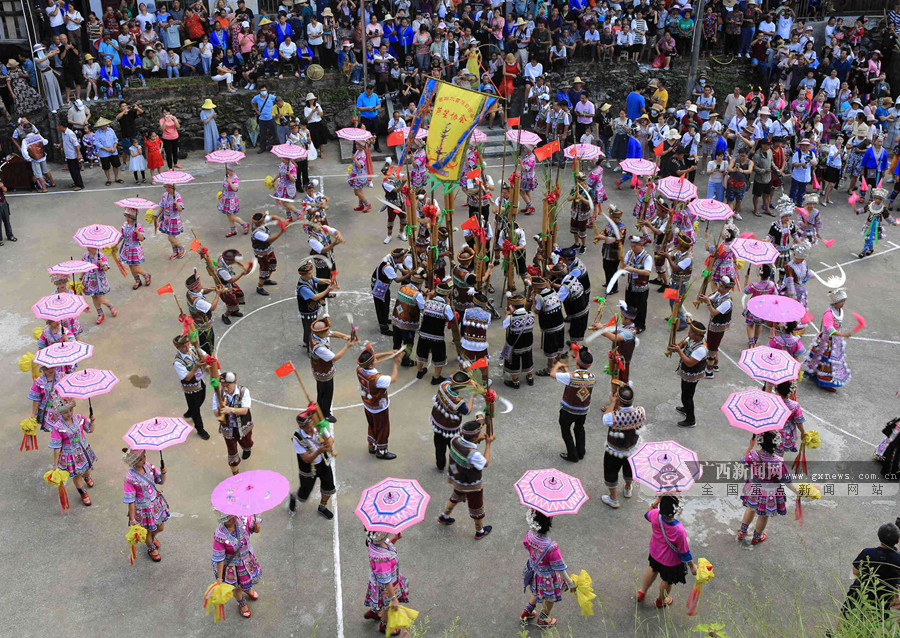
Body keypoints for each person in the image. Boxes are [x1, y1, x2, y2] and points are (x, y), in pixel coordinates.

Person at [437, 417, 494, 540]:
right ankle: (479, 531)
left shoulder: (455, 440)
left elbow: (468, 442)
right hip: (471, 484)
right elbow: (485, 463)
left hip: (457, 478)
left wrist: (479, 438)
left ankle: (444, 516)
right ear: (474, 437)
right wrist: (488, 443)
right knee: (476, 507)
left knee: (456, 496)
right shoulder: (474, 455)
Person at [637, 495, 697, 608]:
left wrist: (656, 501)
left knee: (653, 569)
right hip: (670, 561)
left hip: (655, 553)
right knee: (667, 581)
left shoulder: (655, 515)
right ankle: (661, 600)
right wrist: (692, 566)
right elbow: (684, 552)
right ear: (675, 511)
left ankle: (642, 592)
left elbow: (647, 514)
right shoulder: (679, 530)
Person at [520, 509, 575, 628]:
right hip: (547, 579)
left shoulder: (529, 536)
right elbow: (560, 567)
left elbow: (526, 545)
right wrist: (570, 583)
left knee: (537, 592)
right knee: (550, 598)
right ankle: (543, 619)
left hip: (534, 573)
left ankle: (527, 612)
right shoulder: (551, 547)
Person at [738, 430, 794, 545]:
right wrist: (800, 492)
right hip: (768, 492)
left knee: (750, 508)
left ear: (760, 442)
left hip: (753, 488)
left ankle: (742, 532)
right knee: (763, 515)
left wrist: (750, 446)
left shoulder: (753, 455)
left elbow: (743, 461)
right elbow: (787, 481)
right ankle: (757, 537)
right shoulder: (778, 462)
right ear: (776, 444)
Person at [600, 383, 644, 509]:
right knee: (629, 469)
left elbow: (605, 418)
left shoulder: (612, 417)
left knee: (611, 471)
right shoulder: (641, 411)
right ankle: (628, 488)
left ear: (619, 400)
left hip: (614, 450)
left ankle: (613, 498)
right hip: (632, 448)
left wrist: (613, 403)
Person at [211, 511, 262, 619]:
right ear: (222, 520)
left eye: (233, 514)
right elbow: (219, 558)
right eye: (229, 518)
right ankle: (242, 602)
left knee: (248, 579)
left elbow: (255, 530)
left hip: (246, 559)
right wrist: (219, 579)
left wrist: (257, 527)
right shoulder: (220, 534)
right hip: (231, 567)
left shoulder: (243, 519)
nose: (234, 518)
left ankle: (247, 589)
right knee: (237, 587)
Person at [288, 406, 335, 519]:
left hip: (323, 464)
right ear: (301, 427)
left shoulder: (318, 427)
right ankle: (294, 496)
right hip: (308, 470)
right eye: (308, 425)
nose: (311, 426)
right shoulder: (297, 439)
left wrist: (328, 444)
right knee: (304, 495)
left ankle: (322, 507)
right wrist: (319, 450)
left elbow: (331, 440)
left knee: (328, 487)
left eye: (311, 423)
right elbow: (306, 459)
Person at [47, 396, 96, 507]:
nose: (69, 413)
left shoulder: (79, 418)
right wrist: (55, 464)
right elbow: (57, 447)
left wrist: (92, 421)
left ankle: (87, 477)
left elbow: (90, 430)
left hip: (84, 451)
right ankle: (83, 493)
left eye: (70, 410)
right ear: (60, 412)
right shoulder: (58, 427)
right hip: (70, 456)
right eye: (65, 412)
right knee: (76, 475)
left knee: (87, 471)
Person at [122, 447, 169, 563]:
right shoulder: (130, 478)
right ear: (133, 461)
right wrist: (132, 519)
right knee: (148, 531)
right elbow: (130, 500)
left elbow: (160, 481)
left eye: (144, 456)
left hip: (155, 505)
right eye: (139, 459)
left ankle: (152, 538)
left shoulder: (149, 466)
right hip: (143, 510)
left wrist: (163, 473)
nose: (143, 460)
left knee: (160, 527)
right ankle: (150, 547)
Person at [550, 346, 595, 463]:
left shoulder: (570, 376)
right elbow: (577, 378)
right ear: (589, 365)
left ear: (577, 363)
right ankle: (581, 452)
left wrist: (557, 366)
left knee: (565, 430)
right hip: (583, 410)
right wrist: (565, 370)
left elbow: (552, 374)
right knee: (579, 428)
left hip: (568, 410)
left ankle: (572, 455)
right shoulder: (592, 377)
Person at [356, 343, 401, 460]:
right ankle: (381, 451)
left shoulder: (360, 369)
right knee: (382, 428)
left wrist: (389, 353)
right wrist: (395, 364)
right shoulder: (378, 379)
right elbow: (394, 378)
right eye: (375, 359)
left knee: (371, 425)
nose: (377, 358)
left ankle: (372, 445)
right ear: (371, 365)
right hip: (379, 407)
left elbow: (374, 358)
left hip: (367, 404)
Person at [804, 288, 852, 392]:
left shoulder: (839, 311)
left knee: (821, 358)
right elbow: (830, 329)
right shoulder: (829, 313)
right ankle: (824, 381)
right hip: (827, 341)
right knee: (827, 360)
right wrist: (842, 334)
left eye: (844, 301)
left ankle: (818, 375)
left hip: (834, 340)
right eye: (841, 301)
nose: (843, 303)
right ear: (835, 302)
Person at [308, 317, 355, 423]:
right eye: (327, 331)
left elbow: (333, 333)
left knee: (321, 391)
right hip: (324, 372)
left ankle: (319, 408)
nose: (329, 332)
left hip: (319, 369)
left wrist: (345, 336)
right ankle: (325, 413)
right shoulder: (319, 348)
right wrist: (347, 346)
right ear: (321, 333)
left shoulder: (315, 335)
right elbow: (334, 358)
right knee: (327, 392)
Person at [363, 529, 409, 634]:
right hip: (386, 588)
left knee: (379, 601)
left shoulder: (372, 541)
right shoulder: (382, 558)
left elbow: (387, 545)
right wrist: (393, 599)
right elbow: (386, 582)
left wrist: (395, 538)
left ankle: (374, 612)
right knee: (387, 607)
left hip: (377, 582)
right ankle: (385, 625)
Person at [430, 371, 475, 471]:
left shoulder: (443, 385)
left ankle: (440, 465)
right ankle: (455, 467)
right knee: (455, 448)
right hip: (450, 428)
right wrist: (472, 396)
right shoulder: (458, 402)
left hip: (437, 422)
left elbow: (452, 376)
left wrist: (469, 380)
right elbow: (467, 411)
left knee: (439, 446)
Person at [212, 370, 253, 475]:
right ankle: (235, 474)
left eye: (228, 386)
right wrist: (220, 409)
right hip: (228, 428)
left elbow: (244, 410)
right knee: (232, 453)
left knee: (247, 442)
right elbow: (216, 413)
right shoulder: (218, 394)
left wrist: (230, 410)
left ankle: (247, 449)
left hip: (243, 425)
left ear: (234, 383)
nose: (225, 389)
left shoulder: (243, 391)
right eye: (223, 386)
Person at [668, 320, 707, 428]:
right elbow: (682, 343)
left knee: (687, 396)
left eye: (691, 332)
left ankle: (691, 419)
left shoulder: (701, 349)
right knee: (686, 392)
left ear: (697, 335)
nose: (688, 333)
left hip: (692, 374)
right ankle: (686, 408)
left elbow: (689, 363)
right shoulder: (691, 339)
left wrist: (679, 351)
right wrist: (676, 346)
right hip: (687, 372)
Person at [416, 279, 455, 384]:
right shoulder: (445, 307)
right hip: (437, 337)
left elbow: (423, 310)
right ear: (446, 296)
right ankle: (436, 378)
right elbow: (452, 319)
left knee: (422, 353)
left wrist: (428, 296)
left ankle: (420, 372)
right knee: (439, 357)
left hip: (423, 334)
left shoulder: (428, 303)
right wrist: (449, 304)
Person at [173, 334, 209, 439]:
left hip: (200, 380)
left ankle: (190, 411)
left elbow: (205, 355)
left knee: (201, 400)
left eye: (188, 344)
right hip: (191, 389)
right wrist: (197, 366)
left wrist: (207, 360)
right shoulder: (178, 362)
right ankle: (200, 429)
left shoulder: (193, 349)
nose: (187, 347)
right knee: (196, 411)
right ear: (178, 348)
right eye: (184, 346)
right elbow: (187, 378)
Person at [699, 277, 735, 378]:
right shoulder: (719, 294)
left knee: (712, 347)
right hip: (713, 325)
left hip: (718, 327)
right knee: (713, 344)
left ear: (728, 289)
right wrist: (703, 298)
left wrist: (707, 302)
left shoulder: (727, 302)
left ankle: (709, 371)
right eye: (720, 285)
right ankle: (714, 364)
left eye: (722, 286)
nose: (719, 288)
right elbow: (710, 299)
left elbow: (714, 312)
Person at [370, 248, 411, 336]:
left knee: (386, 301)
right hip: (379, 286)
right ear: (396, 258)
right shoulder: (388, 267)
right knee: (381, 306)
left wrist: (411, 271)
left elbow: (403, 271)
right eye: (402, 258)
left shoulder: (394, 259)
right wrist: (411, 274)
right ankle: (383, 328)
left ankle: (385, 319)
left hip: (384, 285)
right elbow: (398, 280)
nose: (403, 259)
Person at [185, 270, 222, 354]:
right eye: (199, 285)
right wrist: (218, 294)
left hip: (200, 324)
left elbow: (203, 290)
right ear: (194, 289)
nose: (201, 285)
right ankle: (208, 360)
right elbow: (212, 308)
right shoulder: (198, 302)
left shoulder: (190, 292)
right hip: (204, 326)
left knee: (206, 343)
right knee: (207, 345)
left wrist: (214, 289)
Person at [250, 212, 286, 295]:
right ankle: (260, 287)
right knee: (264, 269)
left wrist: (281, 219)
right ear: (261, 222)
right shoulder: (257, 233)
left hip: (267, 249)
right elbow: (270, 239)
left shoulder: (259, 221)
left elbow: (273, 216)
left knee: (273, 263)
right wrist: (281, 231)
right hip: (261, 253)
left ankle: (266, 279)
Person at [622, 235, 653, 333]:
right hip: (630, 285)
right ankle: (630, 323)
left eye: (635, 246)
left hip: (641, 287)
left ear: (641, 246)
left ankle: (640, 325)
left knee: (641, 307)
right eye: (632, 246)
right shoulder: (630, 253)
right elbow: (624, 264)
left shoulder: (647, 257)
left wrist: (633, 270)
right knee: (629, 305)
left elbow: (647, 272)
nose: (633, 248)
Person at [80, 246, 117, 325]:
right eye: (88, 246)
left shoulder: (101, 256)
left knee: (101, 299)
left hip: (99, 281)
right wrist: (80, 279)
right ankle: (100, 314)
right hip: (90, 281)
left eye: (90, 247)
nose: (88, 248)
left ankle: (111, 306)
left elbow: (106, 269)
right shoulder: (85, 256)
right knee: (94, 297)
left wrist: (102, 264)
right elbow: (83, 269)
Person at [743, 264, 777, 348]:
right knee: (759, 324)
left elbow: (745, 291)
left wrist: (746, 280)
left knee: (750, 325)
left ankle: (751, 343)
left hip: (753, 308)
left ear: (760, 274)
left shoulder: (754, 285)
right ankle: (755, 340)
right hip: (763, 309)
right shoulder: (771, 285)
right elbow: (775, 294)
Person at [859, 188, 898, 258]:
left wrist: (893, 222)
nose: (878, 200)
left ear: (882, 200)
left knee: (869, 238)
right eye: (876, 198)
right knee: (868, 238)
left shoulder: (883, 207)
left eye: (880, 199)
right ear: (874, 198)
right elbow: (864, 209)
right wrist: (857, 211)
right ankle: (870, 249)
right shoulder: (871, 204)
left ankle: (864, 251)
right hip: (868, 223)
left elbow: (887, 216)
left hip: (876, 225)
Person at [118, 208, 150, 290]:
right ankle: (137, 280)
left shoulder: (138, 226)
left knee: (135, 267)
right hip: (127, 249)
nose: (127, 218)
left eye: (129, 216)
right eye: (126, 216)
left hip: (134, 249)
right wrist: (115, 244)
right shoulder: (125, 225)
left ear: (134, 217)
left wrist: (138, 232)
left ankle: (146, 274)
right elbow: (121, 236)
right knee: (131, 266)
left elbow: (142, 239)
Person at [218, 166, 248, 238]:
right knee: (228, 215)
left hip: (231, 200)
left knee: (232, 216)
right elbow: (224, 187)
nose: (228, 171)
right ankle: (233, 230)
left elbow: (235, 189)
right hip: (225, 198)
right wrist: (222, 194)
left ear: (233, 171)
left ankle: (244, 224)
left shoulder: (235, 179)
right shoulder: (226, 177)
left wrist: (229, 182)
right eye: (227, 169)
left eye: (229, 170)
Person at [55, 122, 84, 191]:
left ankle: (79, 184)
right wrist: (60, 144)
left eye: (58, 126)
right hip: (68, 155)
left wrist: (78, 154)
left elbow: (76, 145)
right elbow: (65, 141)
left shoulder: (70, 134)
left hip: (73, 155)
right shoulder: (63, 133)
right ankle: (76, 182)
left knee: (75, 170)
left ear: (61, 126)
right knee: (71, 170)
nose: (57, 128)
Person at [252, 85, 276, 153]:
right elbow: (252, 102)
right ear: (259, 91)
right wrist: (256, 110)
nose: (263, 92)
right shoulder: (257, 98)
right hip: (262, 118)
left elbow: (278, 100)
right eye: (262, 90)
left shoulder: (271, 97)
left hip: (270, 118)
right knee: (262, 134)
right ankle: (262, 147)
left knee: (274, 133)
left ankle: (275, 146)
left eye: (264, 90)